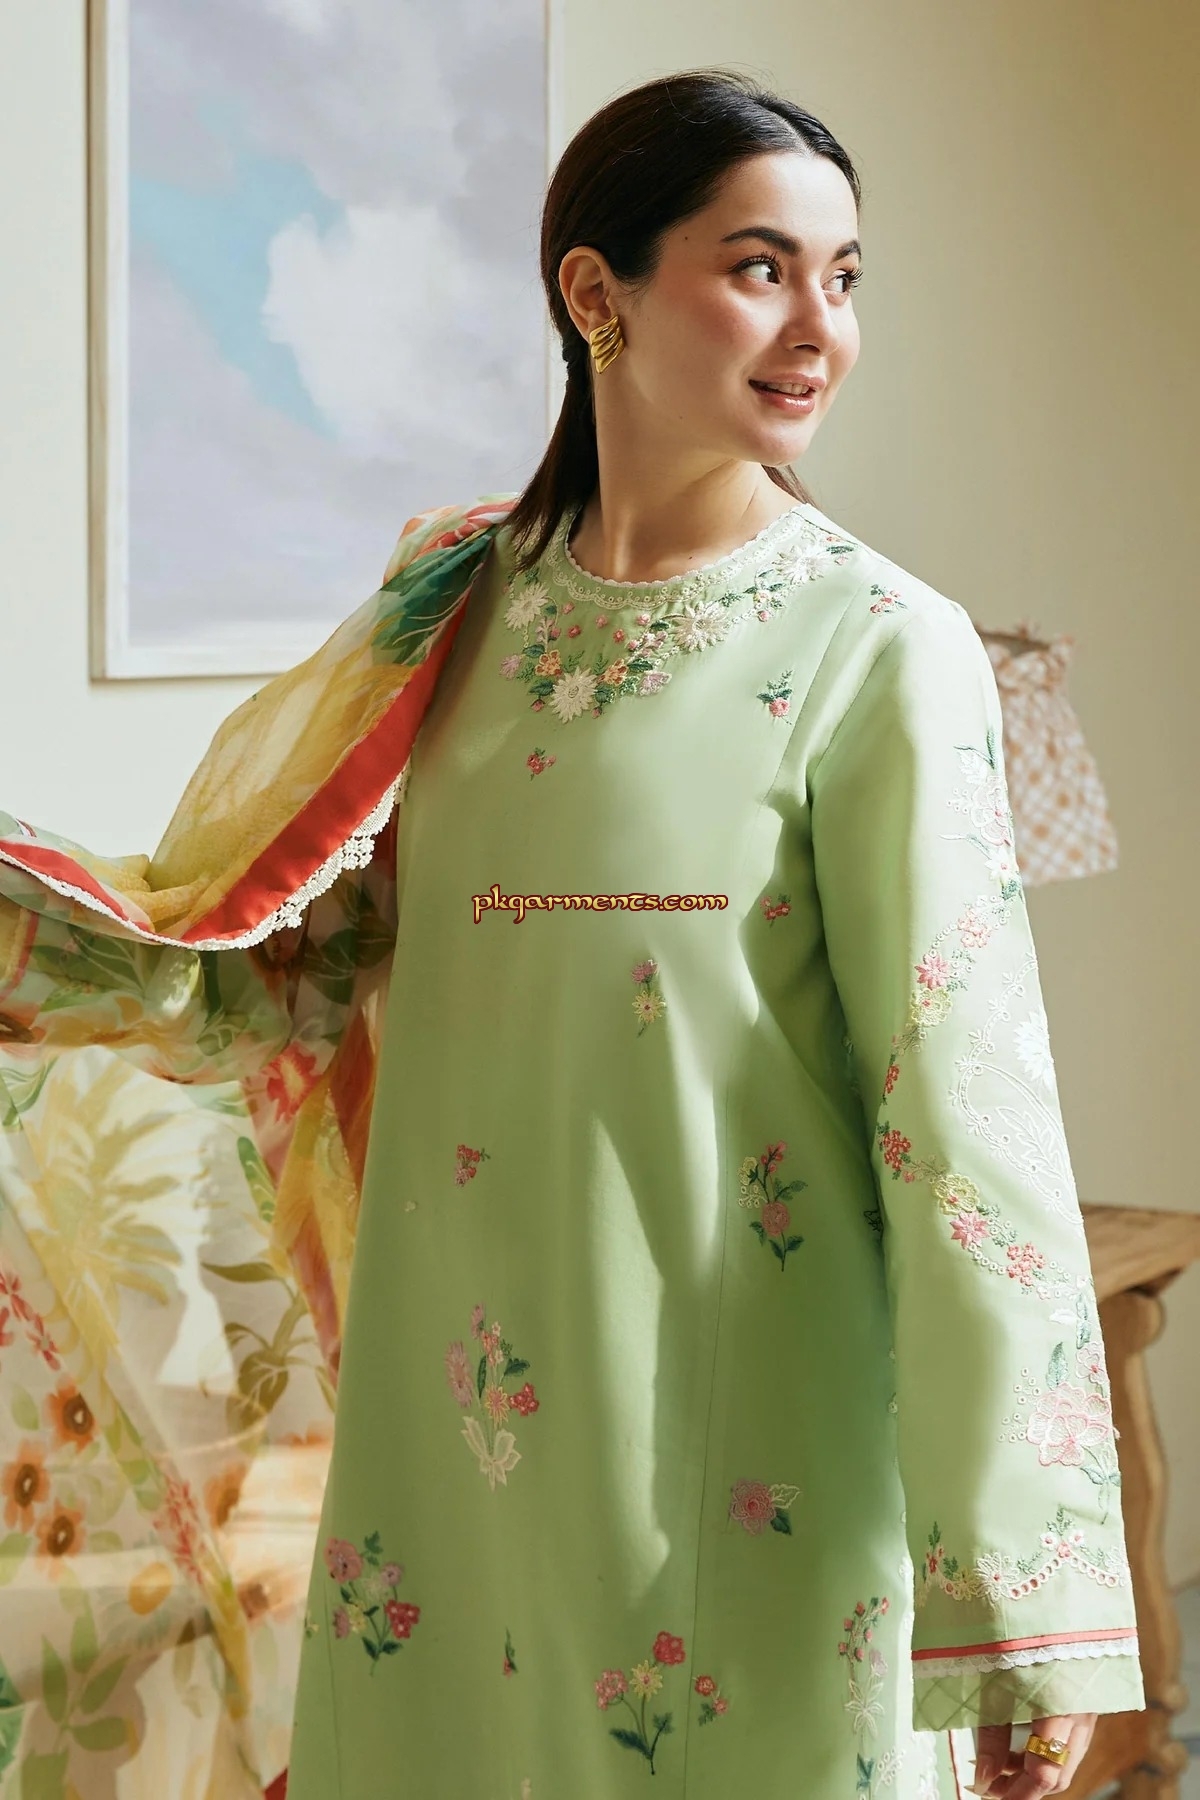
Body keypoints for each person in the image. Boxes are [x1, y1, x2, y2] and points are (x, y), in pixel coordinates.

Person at [0, 68, 1143, 1800]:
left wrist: (1020, 1603)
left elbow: (965, 1126)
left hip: (748, 1463)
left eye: (845, 278)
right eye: (760, 267)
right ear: (595, 293)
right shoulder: (452, 608)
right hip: (451, 1464)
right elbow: (271, 959)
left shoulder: (878, 648)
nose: (819, 327)